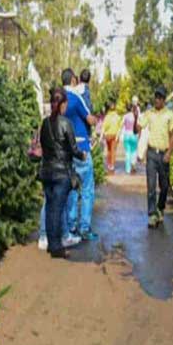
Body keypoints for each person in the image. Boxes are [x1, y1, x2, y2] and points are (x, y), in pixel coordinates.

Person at [40, 87, 85, 258]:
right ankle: (57, 247)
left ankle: (52, 244)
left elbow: (44, 147)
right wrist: (83, 154)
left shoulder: (45, 123)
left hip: (47, 172)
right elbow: (73, 150)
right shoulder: (66, 123)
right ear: (63, 104)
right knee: (57, 210)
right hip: (61, 174)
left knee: (51, 208)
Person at [62, 69, 99, 241]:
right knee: (87, 188)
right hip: (81, 147)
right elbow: (90, 118)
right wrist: (95, 120)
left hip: (66, 149)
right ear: (73, 81)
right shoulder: (76, 98)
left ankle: (71, 225)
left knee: (71, 188)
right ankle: (84, 227)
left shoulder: (59, 100)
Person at [138, 86, 173, 228]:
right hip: (152, 153)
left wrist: (169, 153)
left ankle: (160, 208)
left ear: (164, 100)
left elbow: (172, 136)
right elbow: (140, 126)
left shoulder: (169, 114)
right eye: (156, 97)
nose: (157, 100)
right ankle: (152, 214)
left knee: (164, 186)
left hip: (164, 154)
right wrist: (138, 128)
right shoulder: (149, 113)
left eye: (160, 98)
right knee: (151, 186)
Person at [101, 102, 122, 174]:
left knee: (109, 150)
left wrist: (101, 136)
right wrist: (117, 136)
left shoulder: (107, 117)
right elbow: (119, 128)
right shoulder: (118, 117)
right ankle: (112, 165)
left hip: (108, 135)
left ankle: (109, 165)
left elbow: (103, 127)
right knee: (113, 151)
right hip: (115, 135)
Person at [121, 101, 140, 174]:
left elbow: (122, 126)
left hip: (126, 136)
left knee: (127, 153)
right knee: (134, 152)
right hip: (134, 136)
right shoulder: (134, 115)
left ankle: (127, 169)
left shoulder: (125, 116)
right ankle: (133, 165)